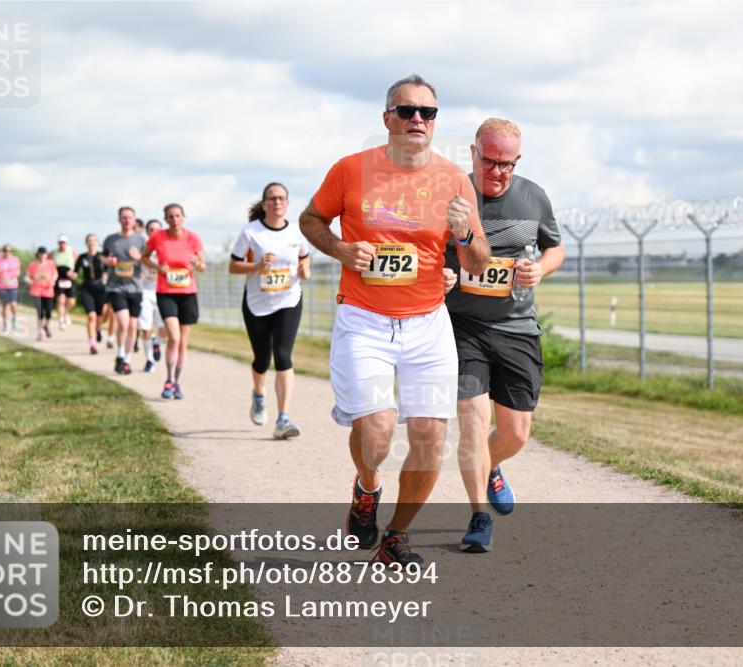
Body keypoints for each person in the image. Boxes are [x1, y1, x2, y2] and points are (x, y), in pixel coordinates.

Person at [299, 74, 490, 566]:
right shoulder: (350, 170)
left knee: (431, 436)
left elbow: (477, 265)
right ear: (387, 119)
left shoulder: (454, 179)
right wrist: (340, 248)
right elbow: (311, 220)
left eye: (427, 113)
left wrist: (466, 233)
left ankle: (396, 536)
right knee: (378, 429)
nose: (417, 121)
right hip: (364, 319)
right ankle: (368, 487)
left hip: (427, 322)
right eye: (406, 111)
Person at [444, 118, 565, 552]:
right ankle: (479, 517)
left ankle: (491, 467)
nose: (498, 172)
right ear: (474, 154)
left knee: (515, 433)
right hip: (463, 326)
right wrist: (441, 273)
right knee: (474, 421)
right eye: (490, 162)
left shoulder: (533, 197)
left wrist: (540, 269)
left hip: (516, 326)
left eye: (507, 165)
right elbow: (426, 247)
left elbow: (555, 247)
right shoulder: (451, 193)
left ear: (518, 161)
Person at [230, 182, 311, 439]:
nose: (277, 203)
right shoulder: (251, 232)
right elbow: (233, 266)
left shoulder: (296, 233)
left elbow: (304, 256)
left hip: (288, 300)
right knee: (262, 359)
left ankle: (283, 418)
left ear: (287, 203)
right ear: (264, 204)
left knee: (283, 355)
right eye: (272, 199)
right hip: (257, 303)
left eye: (281, 198)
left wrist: (304, 269)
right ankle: (258, 394)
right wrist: (256, 266)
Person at [141, 203, 205, 400]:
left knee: (183, 341)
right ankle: (168, 379)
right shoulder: (157, 237)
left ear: (183, 217)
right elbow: (144, 258)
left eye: (178, 216)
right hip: (166, 292)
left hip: (188, 293)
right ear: (166, 219)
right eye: (170, 216)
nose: (174, 219)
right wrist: (157, 267)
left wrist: (197, 263)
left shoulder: (193, 238)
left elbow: (202, 267)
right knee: (174, 337)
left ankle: (176, 382)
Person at [102, 206, 145, 374]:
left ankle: (126, 359)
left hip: (135, 288)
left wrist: (139, 258)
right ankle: (119, 353)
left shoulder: (141, 240)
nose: (127, 220)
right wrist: (108, 261)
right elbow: (103, 257)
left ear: (134, 220)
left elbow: (149, 262)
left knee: (133, 327)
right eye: (124, 217)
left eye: (130, 217)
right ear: (119, 220)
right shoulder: (111, 240)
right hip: (116, 287)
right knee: (123, 322)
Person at [138, 219, 167, 373]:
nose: (154, 232)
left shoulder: (166, 248)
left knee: (166, 329)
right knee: (146, 327)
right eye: (151, 229)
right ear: (147, 232)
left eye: (157, 229)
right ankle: (149, 360)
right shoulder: (142, 250)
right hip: (145, 291)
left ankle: (157, 341)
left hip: (163, 291)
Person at [74, 234, 107, 354]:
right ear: (86, 243)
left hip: (100, 288)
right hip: (87, 287)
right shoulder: (82, 257)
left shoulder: (101, 257)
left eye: (93, 240)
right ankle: (92, 344)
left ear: (97, 243)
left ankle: (98, 329)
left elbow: (108, 270)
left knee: (101, 314)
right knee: (91, 316)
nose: (91, 243)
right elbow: (75, 271)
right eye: (89, 240)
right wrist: (72, 275)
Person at [26, 246, 57, 341]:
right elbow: (27, 276)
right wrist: (28, 280)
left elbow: (55, 274)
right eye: (41, 253)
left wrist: (53, 281)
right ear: (38, 254)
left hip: (48, 291)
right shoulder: (32, 265)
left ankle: (46, 326)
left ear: (47, 254)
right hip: (36, 291)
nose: (43, 255)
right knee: (39, 313)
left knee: (48, 312)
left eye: (44, 253)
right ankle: (39, 333)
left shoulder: (51, 264)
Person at [0, 244, 21, 334]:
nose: (7, 252)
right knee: (5, 305)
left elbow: (18, 272)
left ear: (11, 251)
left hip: (13, 285)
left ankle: (14, 318)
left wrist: (10, 278)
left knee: (13, 304)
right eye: (5, 250)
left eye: (9, 251)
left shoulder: (15, 259)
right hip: (1, 286)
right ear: (3, 251)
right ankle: (5, 324)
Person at [53, 234, 78, 329]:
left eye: (63, 242)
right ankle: (61, 319)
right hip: (59, 277)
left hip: (69, 278)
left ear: (66, 243)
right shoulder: (54, 252)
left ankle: (66, 313)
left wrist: (74, 273)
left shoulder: (72, 251)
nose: (62, 244)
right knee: (61, 300)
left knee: (71, 301)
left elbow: (77, 264)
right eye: (60, 242)